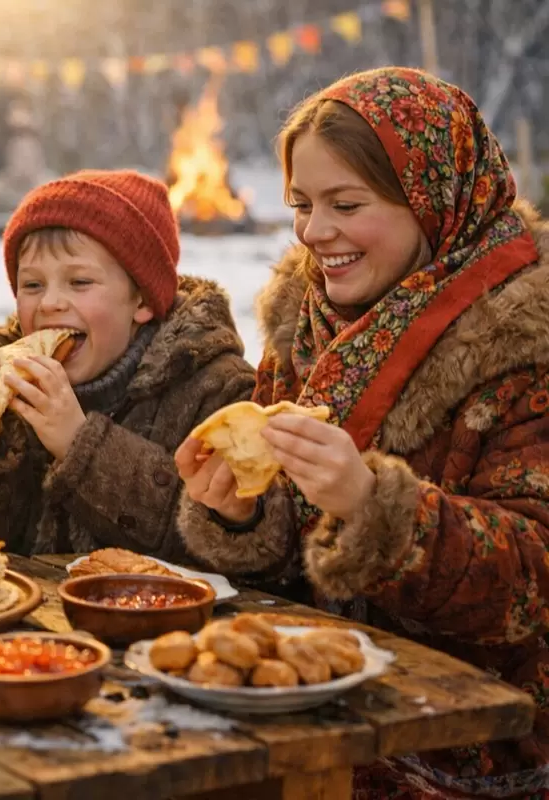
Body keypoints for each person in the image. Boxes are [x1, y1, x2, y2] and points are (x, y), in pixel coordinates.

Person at [174, 67, 549, 796]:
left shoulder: (526, 344)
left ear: (434, 202)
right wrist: (241, 512)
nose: (315, 233)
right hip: (313, 716)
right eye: (302, 204)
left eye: (346, 203)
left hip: (473, 747)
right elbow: (290, 560)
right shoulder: (302, 327)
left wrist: (374, 507)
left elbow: (535, 581)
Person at [0, 170, 255, 557]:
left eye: (80, 282)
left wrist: (79, 444)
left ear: (142, 302)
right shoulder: (10, 387)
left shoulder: (214, 390)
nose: (49, 302)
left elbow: (210, 542)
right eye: (32, 285)